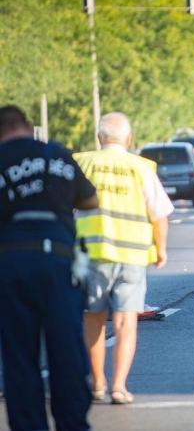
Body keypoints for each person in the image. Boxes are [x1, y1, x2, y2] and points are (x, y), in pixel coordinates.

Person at [0, 105, 98, 431]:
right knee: (66, 350)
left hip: (11, 265)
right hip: (59, 261)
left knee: (19, 356)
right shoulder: (57, 154)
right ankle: (73, 423)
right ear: (29, 126)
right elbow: (90, 201)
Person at [75, 112, 174, 405]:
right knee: (125, 322)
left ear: (99, 138)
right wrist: (161, 249)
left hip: (91, 254)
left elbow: (65, 209)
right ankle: (119, 387)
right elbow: (159, 215)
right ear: (129, 139)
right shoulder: (140, 167)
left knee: (92, 319)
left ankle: (97, 384)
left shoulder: (83, 163)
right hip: (132, 255)